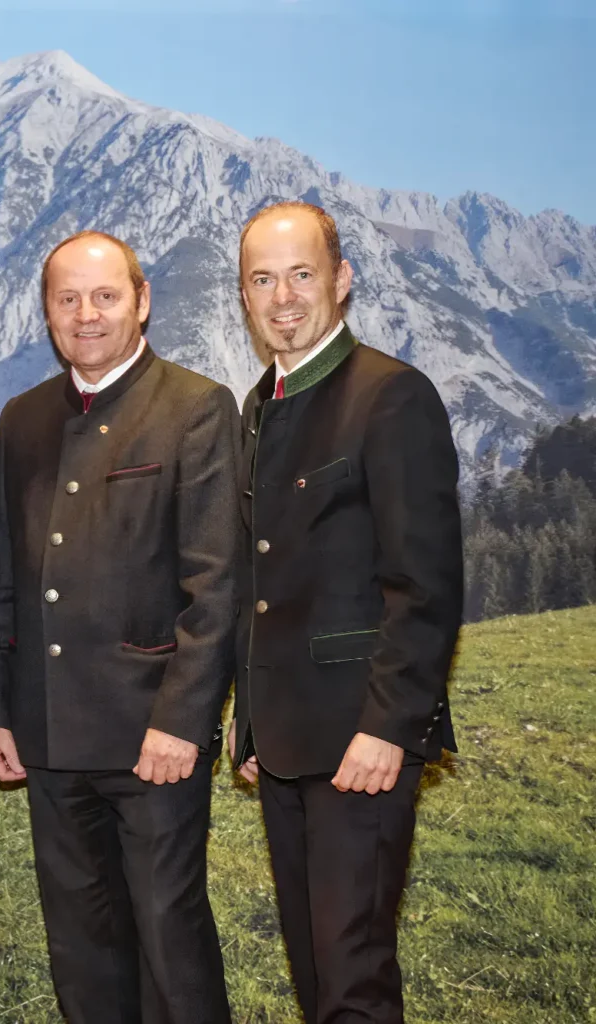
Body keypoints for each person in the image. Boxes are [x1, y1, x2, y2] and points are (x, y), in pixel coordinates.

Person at [0, 231, 238, 1024]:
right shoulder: (23, 418)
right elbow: (5, 577)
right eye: (68, 299)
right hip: (48, 734)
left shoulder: (195, 407)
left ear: (141, 301)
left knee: (170, 943)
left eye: (105, 296)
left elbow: (216, 584)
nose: (86, 314)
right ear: (48, 312)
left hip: (153, 737)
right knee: (80, 953)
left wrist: (182, 721)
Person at [229, 201, 463, 1024]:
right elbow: (261, 579)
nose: (283, 297)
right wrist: (251, 722)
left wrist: (389, 728)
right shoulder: (260, 405)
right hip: (284, 744)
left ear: (342, 279)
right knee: (315, 975)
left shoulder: (392, 396)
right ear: (244, 295)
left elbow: (425, 587)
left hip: (362, 742)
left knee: (353, 981)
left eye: (302, 274)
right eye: (263, 279)